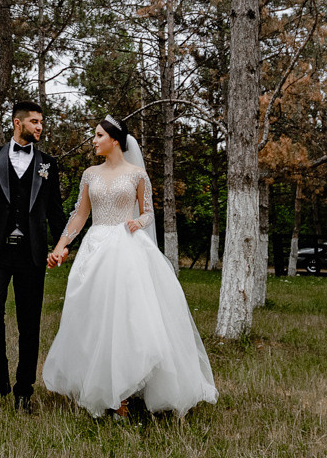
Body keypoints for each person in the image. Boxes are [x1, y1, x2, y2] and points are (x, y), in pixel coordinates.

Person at [43, 114, 217, 419]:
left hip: (128, 247)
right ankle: (102, 388)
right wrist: (60, 246)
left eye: (98, 135)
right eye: (94, 136)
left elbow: (148, 212)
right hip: (96, 248)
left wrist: (139, 221)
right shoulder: (90, 174)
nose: (94, 141)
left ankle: (124, 392)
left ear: (115, 140)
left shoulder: (137, 174)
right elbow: (80, 215)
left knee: (128, 318)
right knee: (96, 317)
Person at [0, 100, 65, 411]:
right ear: (17, 123)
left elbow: (56, 211)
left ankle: (24, 389)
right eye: (34, 121)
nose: (39, 127)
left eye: (41, 121)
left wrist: (62, 244)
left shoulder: (48, 164)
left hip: (31, 254)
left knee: (29, 322)